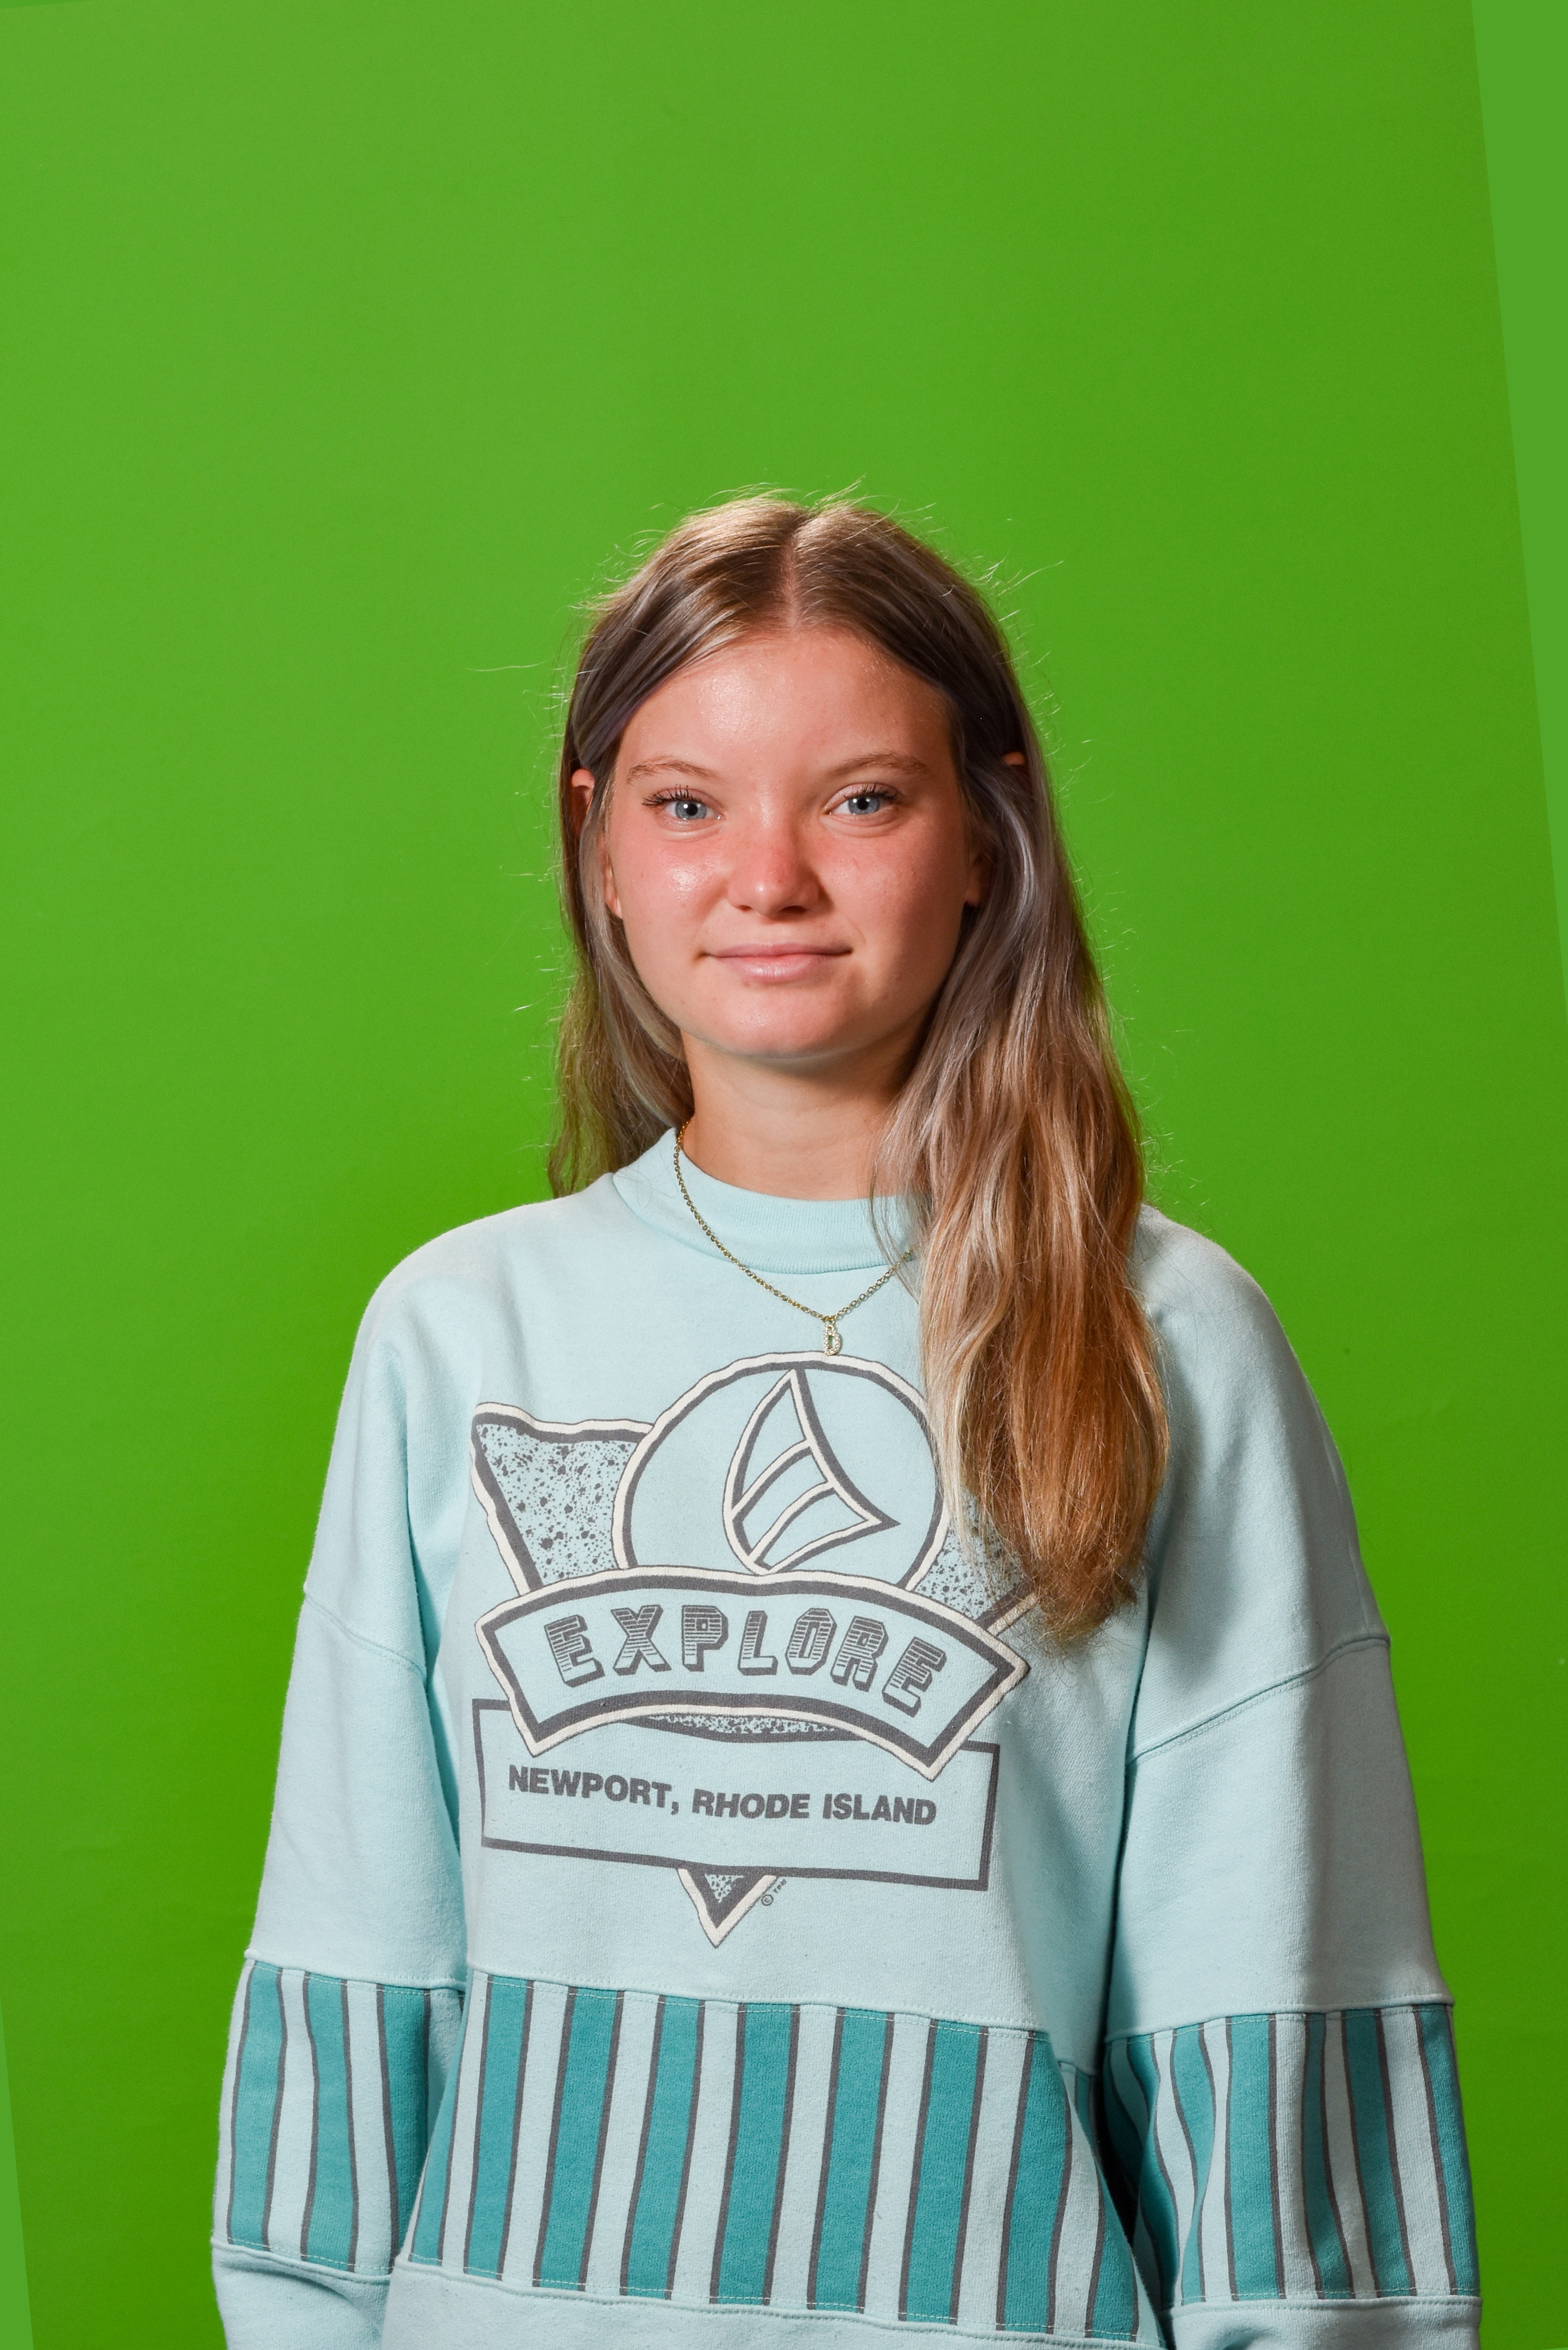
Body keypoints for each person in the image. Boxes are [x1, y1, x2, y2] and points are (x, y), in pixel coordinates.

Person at [212, 498, 1479, 2349]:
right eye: (688, 805)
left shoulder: (1164, 1336)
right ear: (599, 846)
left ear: (990, 837)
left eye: (863, 800)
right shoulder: (460, 1332)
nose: (769, 879)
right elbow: (357, 1947)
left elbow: (1275, 1975)